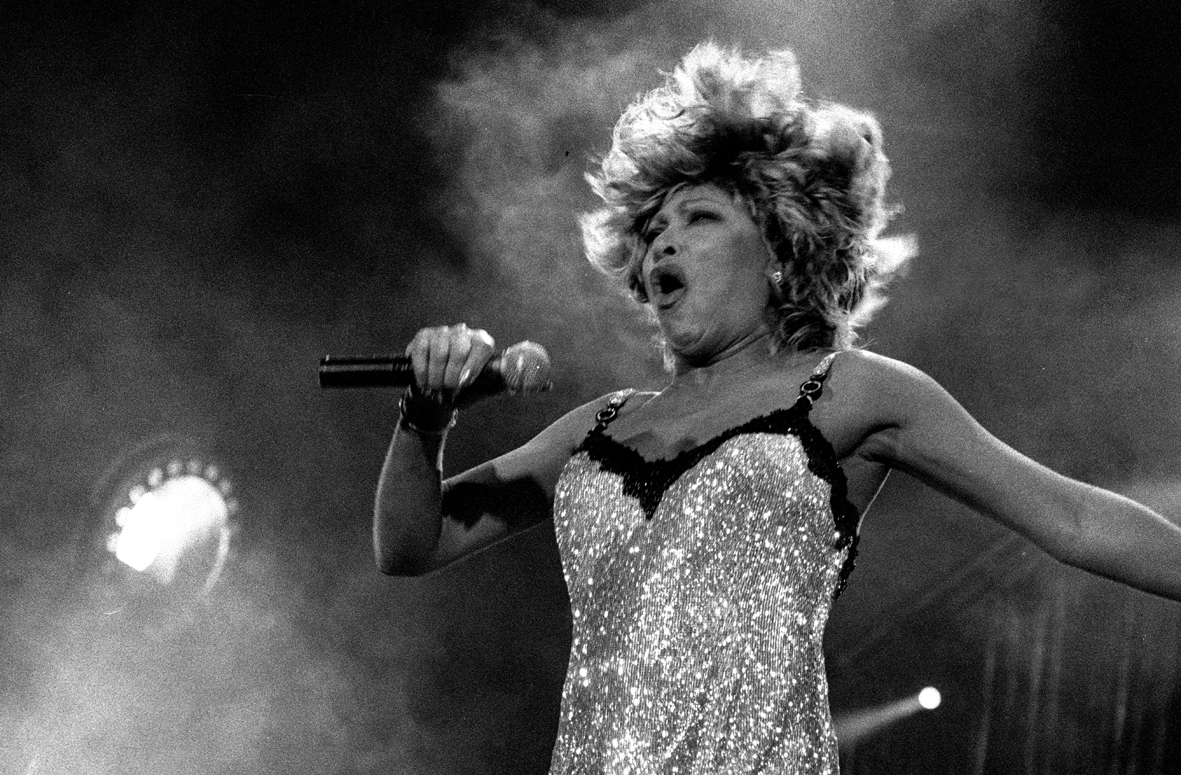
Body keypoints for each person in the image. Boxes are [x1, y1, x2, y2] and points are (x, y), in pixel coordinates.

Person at [373, 42, 1181, 774]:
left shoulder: (852, 390)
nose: (661, 243)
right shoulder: (597, 427)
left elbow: (1071, 518)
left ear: (781, 250)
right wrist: (425, 415)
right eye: (651, 230)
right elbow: (411, 541)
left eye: (698, 218)